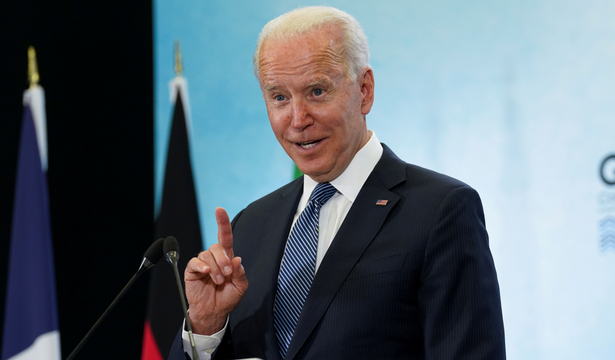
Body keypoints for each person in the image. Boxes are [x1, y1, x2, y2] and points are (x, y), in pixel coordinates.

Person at [169, 6, 505, 360]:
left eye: (317, 91)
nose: (298, 120)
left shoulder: (441, 210)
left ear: (365, 90)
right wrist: (205, 325)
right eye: (280, 97)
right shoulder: (251, 225)